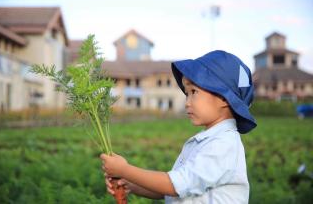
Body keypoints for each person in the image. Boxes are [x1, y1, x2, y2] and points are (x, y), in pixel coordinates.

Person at [101, 50, 257, 203]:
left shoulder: (223, 144)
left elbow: (174, 185)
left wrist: (125, 170)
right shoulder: (206, 141)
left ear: (224, 98)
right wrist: (132, 185)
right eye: (186, 94)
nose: (187, 102)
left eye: (194, 92)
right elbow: (177, 190)